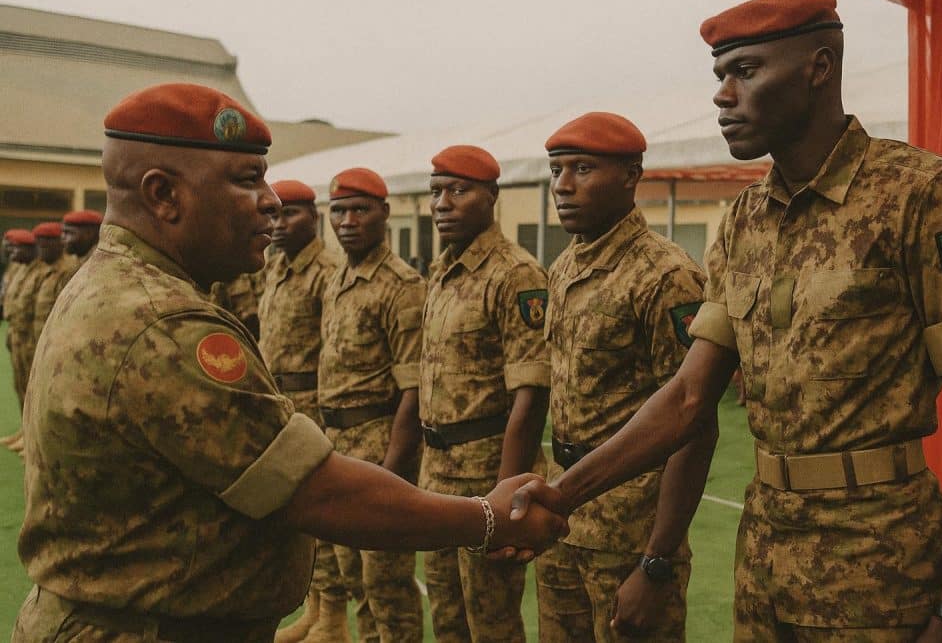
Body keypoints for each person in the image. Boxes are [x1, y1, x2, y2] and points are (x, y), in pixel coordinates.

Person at [511, 0, 942, 642]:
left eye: (745, 71)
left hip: (880, 562)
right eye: (720, 77)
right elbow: (691, 394)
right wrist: (563, 492)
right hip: (763, 558)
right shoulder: (744, 220)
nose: (724, 95)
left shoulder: (921, 196)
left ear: (818, 67)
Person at [14, 83, 567, 643]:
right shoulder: (161, 322)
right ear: (164, 195)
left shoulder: (122, 285)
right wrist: (490, 517)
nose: (271, 201)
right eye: (246, 180)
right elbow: (316, 491)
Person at [535, 112, 714, 642]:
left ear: (632, 175)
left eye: (583, 169)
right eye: (556, 169)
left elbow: (694, 422)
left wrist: (656, 562)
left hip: (632, 528)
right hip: (564, 514)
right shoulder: (565, 267)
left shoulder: (667, 276)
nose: (563, 186)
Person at [420, 145, 550, 643]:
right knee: (448, 616)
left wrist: (507, 500)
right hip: (437, 473)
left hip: (485, 473)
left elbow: (531, 394)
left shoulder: (514, 273)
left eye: (459, 190)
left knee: (491, 622)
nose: (443, 203)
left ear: (491, 195)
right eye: (437, 192)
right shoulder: (444, 270)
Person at [314, 167, 427, 643]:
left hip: (379, 447)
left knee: (388, 586)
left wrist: (394, 471)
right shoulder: (338, 279)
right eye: (338, 211)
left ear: (384, 213)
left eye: (359, 210)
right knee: (355, 579)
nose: (347, 221)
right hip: (335, 447)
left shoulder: (401, 286)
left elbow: (414, 389)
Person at [252, 179, 344, 643]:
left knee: (322, 513)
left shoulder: (327, 270)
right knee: (296, 516)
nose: (279, 223)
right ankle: (315, 608)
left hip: (316, 404)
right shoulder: (277, 266)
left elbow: (335, 349)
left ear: (314, 217)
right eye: (275, 215)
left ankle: (334, 619)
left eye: (291, 215)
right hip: (283, 402)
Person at [1, 229, 37, 449]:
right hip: (19, 333)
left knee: (33, 391)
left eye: (14, 247)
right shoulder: (20, 268)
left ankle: (32, 440)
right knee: (21, 386)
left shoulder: (49, 270)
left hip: (33, 337)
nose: (11, 252)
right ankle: (25, 433)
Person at [30, 221, 76, 345]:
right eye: (38, 246)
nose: (40, 252)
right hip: (40, 339)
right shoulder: (46, 268)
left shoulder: (68, 270)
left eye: (44, 247)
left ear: (59, 244)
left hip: (56, 341)